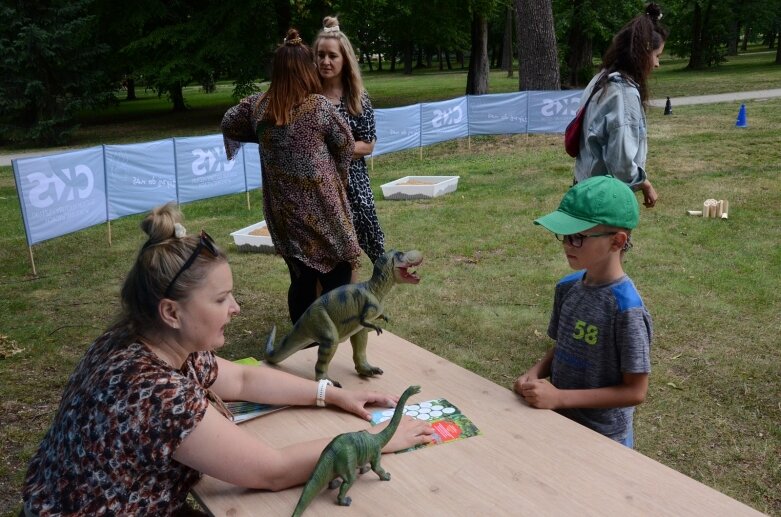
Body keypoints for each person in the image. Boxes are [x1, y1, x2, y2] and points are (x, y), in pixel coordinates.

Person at [20, 203, 433, 516]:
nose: (235, 308)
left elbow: (243, 382)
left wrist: (333, 395)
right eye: (221, 299)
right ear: (171, 312)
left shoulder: (146, 339)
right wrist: (377, 443)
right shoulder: (153, 392)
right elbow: (269, 470)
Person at [221, 28, 360, 324]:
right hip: (325, 209)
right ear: (305, 69)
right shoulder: (319, 107)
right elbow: (346, 144)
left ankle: (305, 340)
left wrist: (265, 136)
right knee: (340, 269)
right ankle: (328, 338)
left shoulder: (257, 107)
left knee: (301, 278)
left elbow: (228, 123)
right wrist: (338, 176)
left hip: (284, 212)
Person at [513, 176, 653, 448]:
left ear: (617, 241)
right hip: (558, 420)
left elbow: (635, 391)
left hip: (603, 437)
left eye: (578, 237)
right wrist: (535, 372)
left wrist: (560, 397)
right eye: (564, 236)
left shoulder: (626, 310)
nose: (566, 244)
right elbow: (563, 345)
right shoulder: (567, 287)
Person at [574, 2, 668, 209]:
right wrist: (645, 184)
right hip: (604, 198)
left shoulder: (601, 78)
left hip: (584, 188)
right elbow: (621, 164)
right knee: (610, 243)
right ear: (643, 53)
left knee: (580, 242)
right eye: (657, 56)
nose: (657, 64)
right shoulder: (623, 94)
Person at [314, 16, 385, 267]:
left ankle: (355, 302)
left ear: (345, 59)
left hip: (353, 183)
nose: (325, 61)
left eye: (332, 56)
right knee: (325, 254)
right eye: (320, 55)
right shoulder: (307, 95)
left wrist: (330, 149)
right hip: (317, 187)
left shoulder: (357, 98)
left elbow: (368, 144)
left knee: (360, 247)